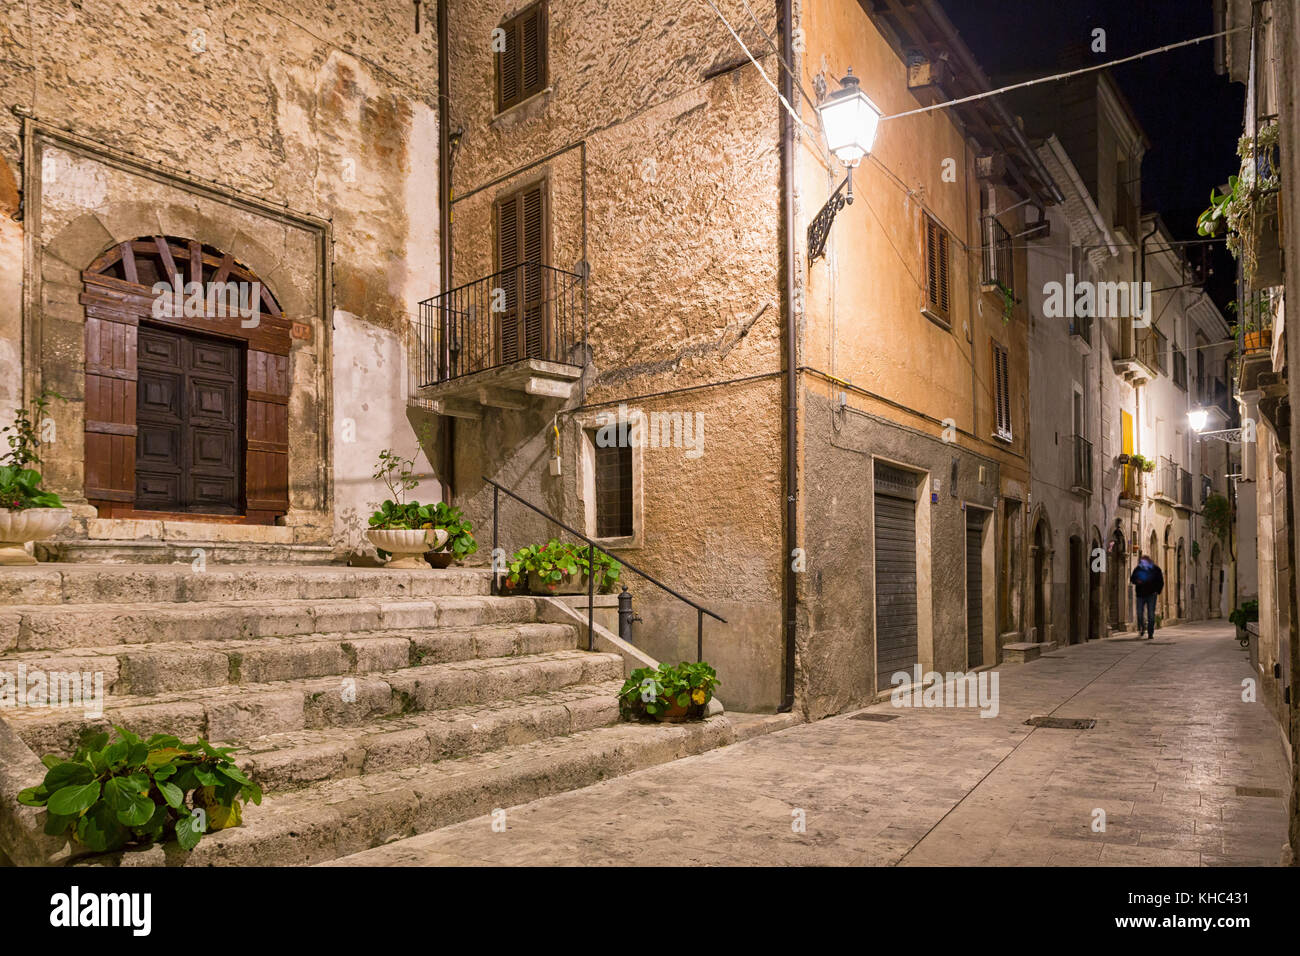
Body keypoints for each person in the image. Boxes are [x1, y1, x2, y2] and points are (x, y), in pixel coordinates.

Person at [1130, 554, 1165, 640]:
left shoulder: (1156, 569)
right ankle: (1142, 628)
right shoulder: (1138, 569)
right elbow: (1132, 578)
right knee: (1139, 613)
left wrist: (1157, 591)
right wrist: (1137, 581)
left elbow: (1160, 581)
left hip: (1151, 594)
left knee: (1151, 615)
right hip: (1140, 595)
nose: (1143, 563)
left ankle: (1150, 633)